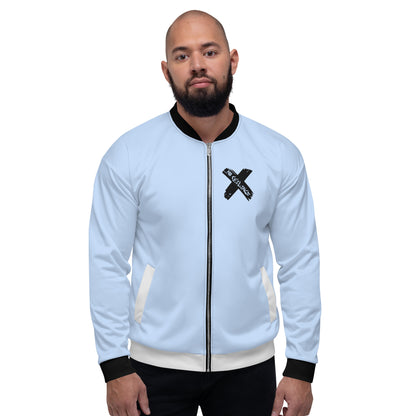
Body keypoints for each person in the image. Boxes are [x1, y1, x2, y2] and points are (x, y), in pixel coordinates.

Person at [89, 9, 321, 416]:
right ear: (166, 71)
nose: (197, 64)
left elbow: (300, 261)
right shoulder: (129, 155)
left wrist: (301, 367)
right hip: (150, 368)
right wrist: (114, 366)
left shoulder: (278, 156)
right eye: (182, 56)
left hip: (249, 366)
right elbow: (106, 261)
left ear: (233, 60)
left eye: (209, 52)